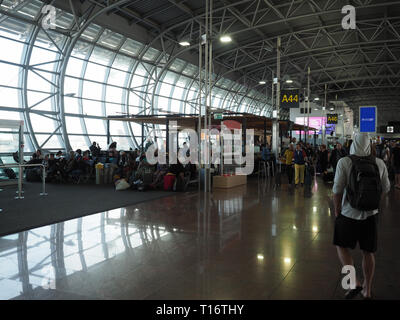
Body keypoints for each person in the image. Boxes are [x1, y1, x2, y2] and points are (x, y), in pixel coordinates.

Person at [332, 133, 390, 300]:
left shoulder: (344, 162)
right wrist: (374, 204)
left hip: (348, 213)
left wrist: (337, 210)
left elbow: (337, 191)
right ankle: (368, 290)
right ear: (369, 145)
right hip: (371, 215)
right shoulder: (379, 163)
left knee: (341, 246)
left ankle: (353, 282)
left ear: (353, 144)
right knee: (368, 252)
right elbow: (386, 189)